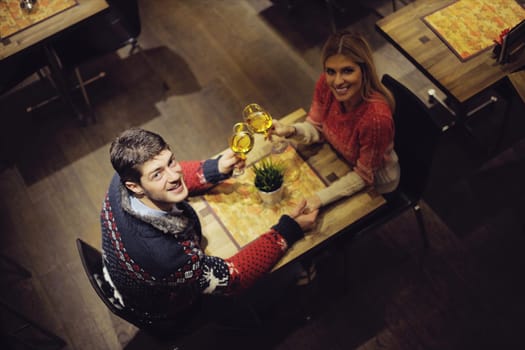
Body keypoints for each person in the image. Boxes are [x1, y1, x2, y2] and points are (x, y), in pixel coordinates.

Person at [100, 127, 318, 327]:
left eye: (171, 161)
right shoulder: (168, 257)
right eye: (157, 174)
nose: (175, 175)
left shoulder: (120, 178)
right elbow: (232, 279)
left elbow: (169, 173)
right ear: (135, 186)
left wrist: (216, 167)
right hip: (166, 306)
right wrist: (289, 230)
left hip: (124, 269)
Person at [270, 30, 400, 212]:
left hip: (376, 185)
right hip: (340, 159)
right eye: (331, 71)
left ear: (365, 70)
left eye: (347, 70)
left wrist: (319, 199)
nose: (337, 82)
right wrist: (291, 131)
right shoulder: (325, 84)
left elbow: (364, 176)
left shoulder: (376, 118)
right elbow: (316, 127)